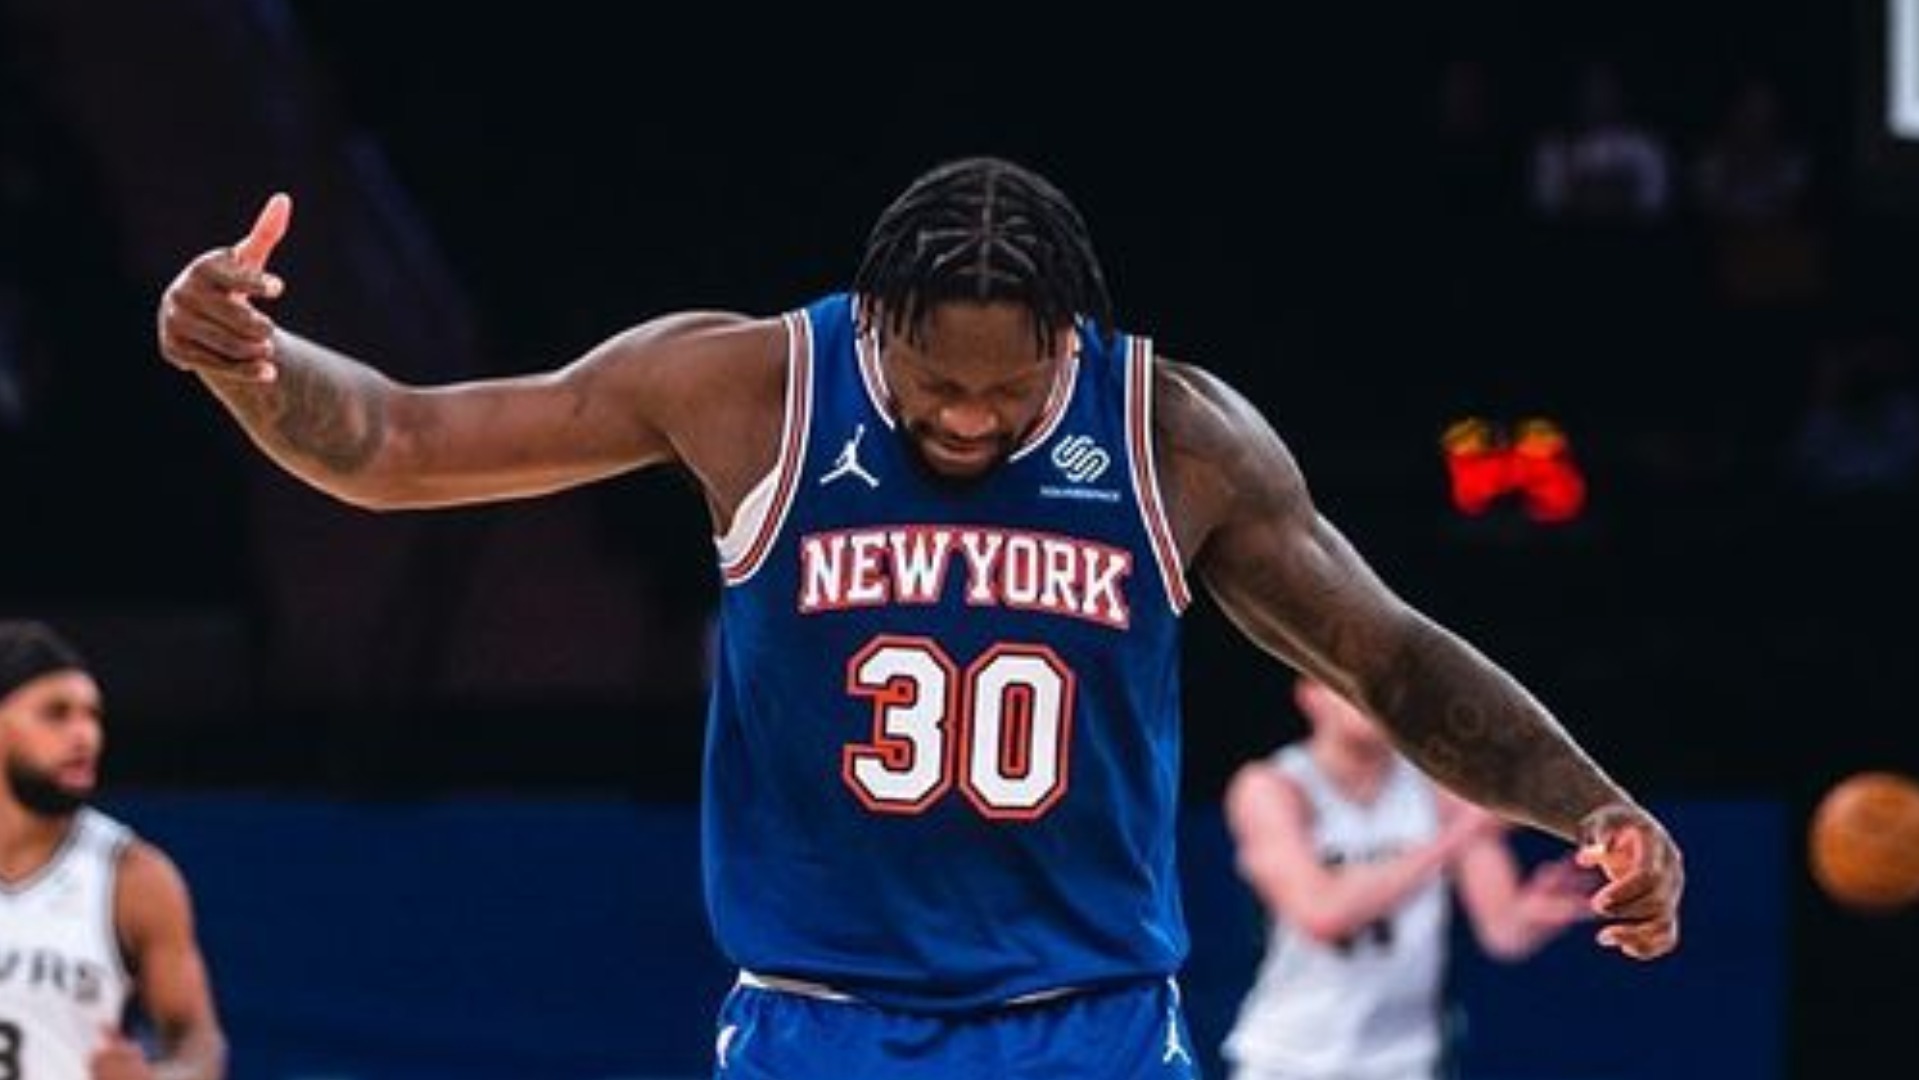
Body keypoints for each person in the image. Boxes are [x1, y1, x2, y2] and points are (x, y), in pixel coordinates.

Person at [153, 155, 1683, 1078]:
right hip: (818, 1019)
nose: (965, 417)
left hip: (1087, 1022)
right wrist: (256, 368)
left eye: (1006, 390)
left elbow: (1385, 655)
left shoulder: (1172, 437)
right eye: (933, 381)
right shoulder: (748, 388)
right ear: (872, 318)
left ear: (1067, 338)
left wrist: (1587, 802)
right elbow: (405, 442)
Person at [1220, 676, 1595, 1080]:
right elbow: (1321, 914)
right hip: (1289, 1055)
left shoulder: (1439, 787)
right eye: (1349, 682)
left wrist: (1537, 912)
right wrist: (1455, 837)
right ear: (1310, 696)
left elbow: (1504, 933)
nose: (1373, 697)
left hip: (1405, 1058)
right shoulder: (1274, 786)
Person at [0, 619, 228, 1080]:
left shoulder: (133, 876)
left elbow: (201, 1045)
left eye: (93, 715)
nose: (85, 735)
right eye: (56, 714)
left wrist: (162, 1078)